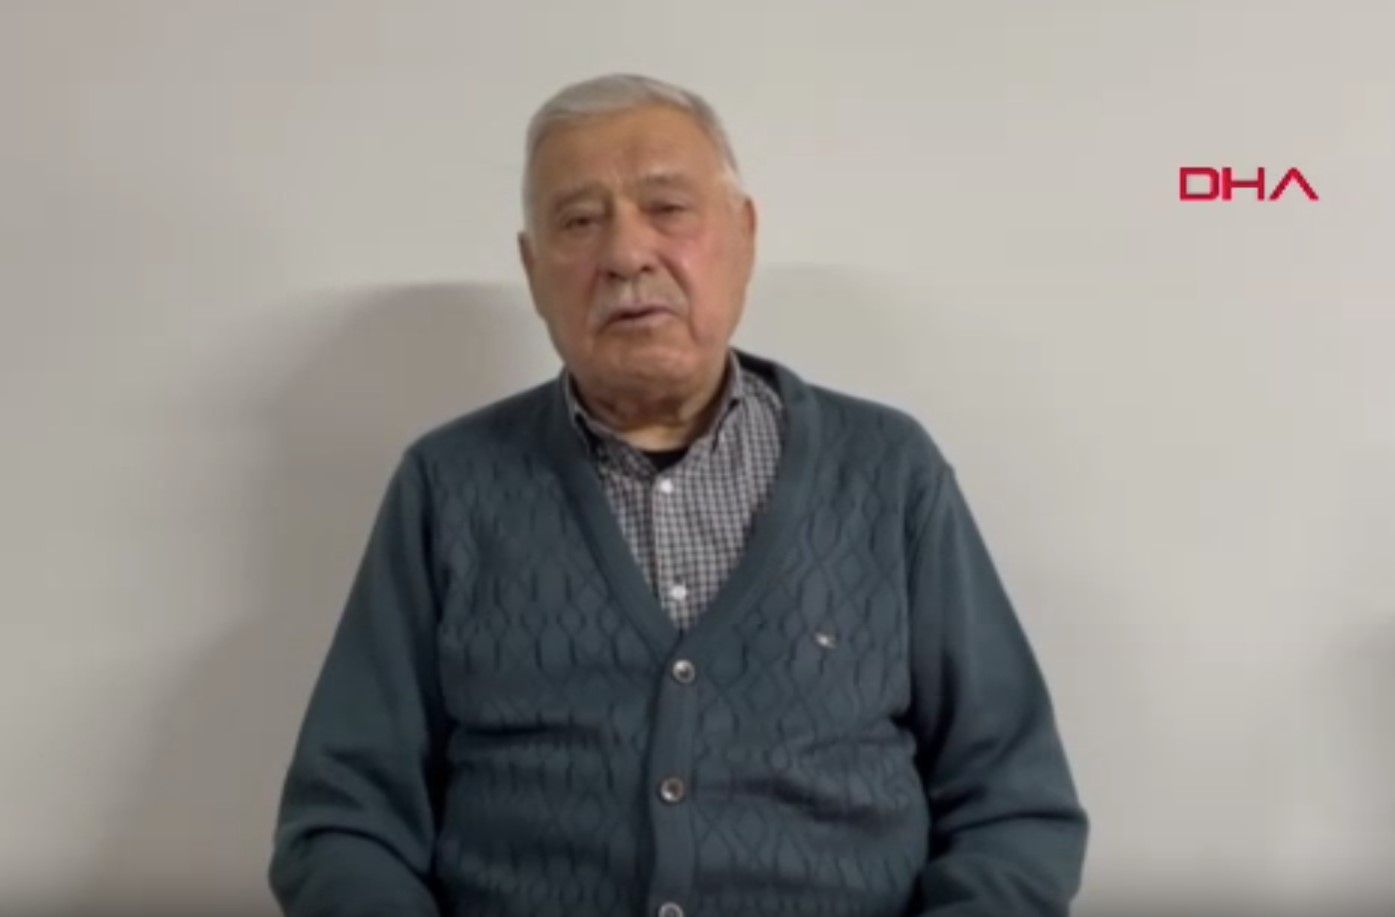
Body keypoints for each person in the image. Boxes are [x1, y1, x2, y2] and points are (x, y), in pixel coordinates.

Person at [268, 72, 1088, 917]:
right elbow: (344, 822)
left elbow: (1013, 806)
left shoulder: (887, 472)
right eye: (578, 221)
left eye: (666, 208)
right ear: (532, 269)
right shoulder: (447, 486)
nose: (626, 255)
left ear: (743, 235)